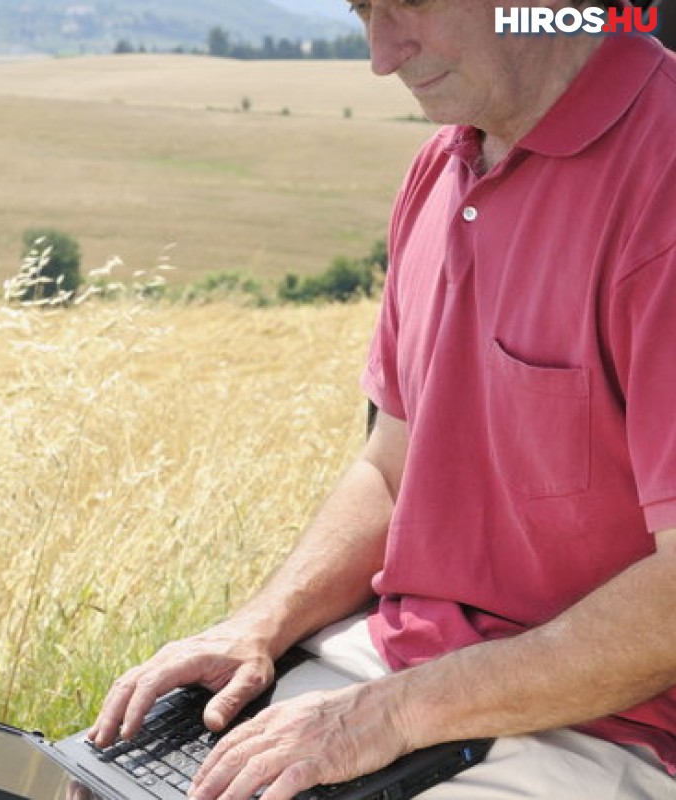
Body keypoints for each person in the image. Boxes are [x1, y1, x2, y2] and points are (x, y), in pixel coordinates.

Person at [89, 1, 676, 798]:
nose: (383, 52)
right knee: (104, 782)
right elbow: (393, 469)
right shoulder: (440, 169)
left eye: (408, 4)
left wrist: (390, 716)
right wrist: (259, 623)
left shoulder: (663, 176)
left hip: (603, 727)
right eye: (364, 10)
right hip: (394, 672)